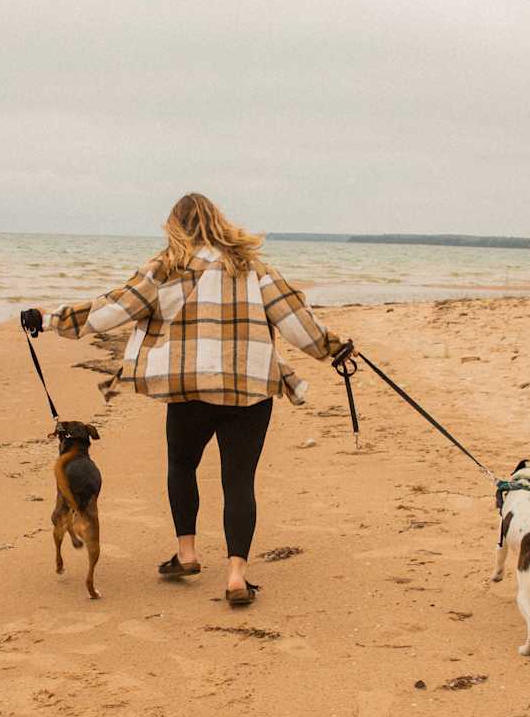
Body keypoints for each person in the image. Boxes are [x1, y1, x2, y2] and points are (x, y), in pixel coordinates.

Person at [20, 193, 351, 607]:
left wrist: (49, 320)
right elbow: (296, 319)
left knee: (182, 466)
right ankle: (235, 577)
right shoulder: (253, 269)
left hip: (189, 389)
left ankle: (188, 553)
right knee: (238, 481)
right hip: (249, 390)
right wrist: (334, 350)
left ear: (174, 226)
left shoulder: (164, 269)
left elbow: (112, 309)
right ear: (219, 222)